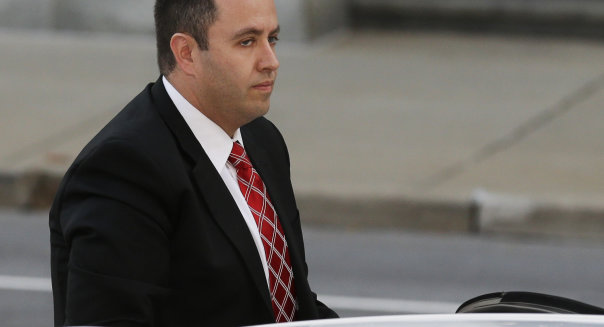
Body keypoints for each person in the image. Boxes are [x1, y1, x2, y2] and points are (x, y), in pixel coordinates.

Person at [49, 0, 338, 326]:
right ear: (186, 53)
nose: (271, 61)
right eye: (247, 42)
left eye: (272, 39)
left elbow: (291, 304)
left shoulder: (262, 139)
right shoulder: (122, 170)